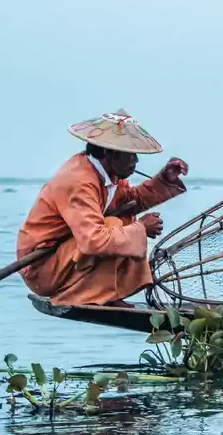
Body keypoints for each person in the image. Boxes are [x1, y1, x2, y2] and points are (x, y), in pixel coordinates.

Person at [16, 109, 188, 307]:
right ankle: (93, 296)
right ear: (110, 153)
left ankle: (106, 294)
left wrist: (165, 179)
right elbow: (94, 241)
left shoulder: (108, 175)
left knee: (124, 220)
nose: (135, 161)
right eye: (130, 155)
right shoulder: (79, 182)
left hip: (63, 257)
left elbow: (130, 201)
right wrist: (141, 229)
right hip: (41, 267)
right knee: (113, 225)